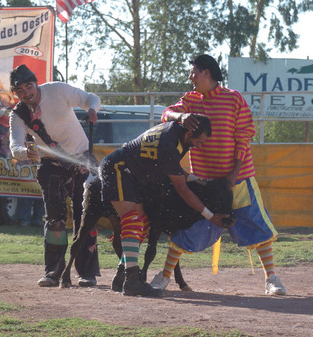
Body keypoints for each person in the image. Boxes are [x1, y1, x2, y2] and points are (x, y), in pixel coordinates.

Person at [152, 54, 286, 296]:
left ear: (207, 73)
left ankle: (271, 278)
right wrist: (180, 116)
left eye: (194, 71)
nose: (190, 77)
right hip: (204, 184)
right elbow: (165, 114)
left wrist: (234, 172)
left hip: (240, 179)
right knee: (190, 228)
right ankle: (163, 277)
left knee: (257, 227)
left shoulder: (234, 99)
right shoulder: (190, 100)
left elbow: (244, 135)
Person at [100, 114, 228, 297]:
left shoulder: (173, 131)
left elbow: (174, 169)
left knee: (141, 224)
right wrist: (210, 215)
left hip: (127, 172)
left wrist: (197, 180)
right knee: (134, 221)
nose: (201, 145)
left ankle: (123, 275)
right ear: (190, 132)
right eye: (199, 141)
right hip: (118, 169)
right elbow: (182, 190)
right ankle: (132, 281)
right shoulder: (170, 146)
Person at [8, 64, 101, 288]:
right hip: (51, 164)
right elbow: (15, 147)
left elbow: (91, 97)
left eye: (29, 87)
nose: (27, 93)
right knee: (55, 219)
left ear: (35, 83)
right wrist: (27, 152)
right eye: (20, 91)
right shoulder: (18, 115)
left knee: (85, 216)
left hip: (81, 159)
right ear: (16, 94)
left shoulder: (57, 90)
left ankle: (86, 272)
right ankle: (53, 272)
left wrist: (92, 110)